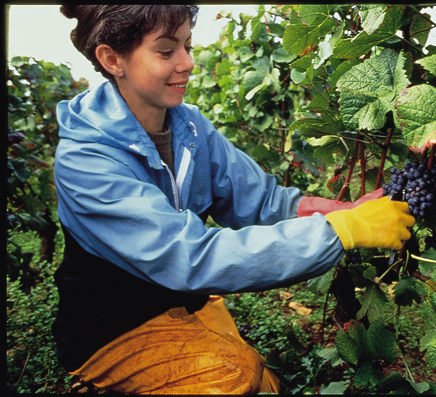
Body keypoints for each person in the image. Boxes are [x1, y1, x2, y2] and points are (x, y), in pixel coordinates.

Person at [52, 5, 415, 395]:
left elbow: (262, 201)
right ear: (112, 59)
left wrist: (343, 211)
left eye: (188, 45)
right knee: (233, 377)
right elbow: (188, 256)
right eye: (166, 50)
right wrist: (337, 233)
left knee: (265, 383)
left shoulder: (190, 127)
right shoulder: (85, 161)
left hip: (184, 303)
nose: (188, 63)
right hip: (111, 327)